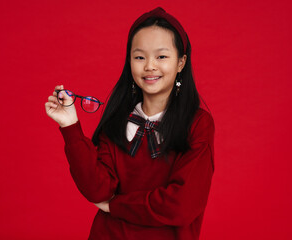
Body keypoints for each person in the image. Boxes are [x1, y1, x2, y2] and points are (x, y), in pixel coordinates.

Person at [45, 7, 215, 240]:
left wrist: (116, 205)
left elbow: (181, 205)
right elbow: (98, 190)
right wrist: (70, 126)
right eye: (139, 57)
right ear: (129, 61)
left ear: (181, 62)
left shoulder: (197, 124)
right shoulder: (116, 121)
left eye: (161, 56)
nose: (149, 66)